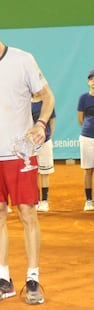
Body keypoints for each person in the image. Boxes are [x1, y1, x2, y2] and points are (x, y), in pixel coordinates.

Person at [0, 12, 55, 305]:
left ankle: (33, 279)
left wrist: (41, 124)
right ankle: (3, 279)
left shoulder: (22, 60)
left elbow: (48, 97)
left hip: (20, 153)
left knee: (28, 214)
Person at [32, 95, 56, 212]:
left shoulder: (47, 102)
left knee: (44, 172)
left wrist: (48, 136)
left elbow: (52, 120)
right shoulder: (25, 102)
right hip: (30, 143)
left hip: (45, 141)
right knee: (33, 172)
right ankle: (35, 200)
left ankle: (44, 201)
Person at [77, 69, 94, 211]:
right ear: (88, 82)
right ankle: (89, 200)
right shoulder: (83, 98)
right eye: (91, 79)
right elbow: (80, 120)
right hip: (87, 138)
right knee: (88, 169)